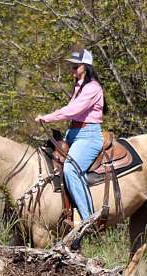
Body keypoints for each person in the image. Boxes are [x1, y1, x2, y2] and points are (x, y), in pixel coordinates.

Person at [35, 48, 105, 222]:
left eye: (76, 66)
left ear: (86, 66)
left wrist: (47, 117)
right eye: (72, 66)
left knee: (71, 169)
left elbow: (73, 110)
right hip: (74, 133)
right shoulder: (79, 87)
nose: (72, 69)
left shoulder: (93, 88)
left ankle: (88, 219)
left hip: (88, 136)